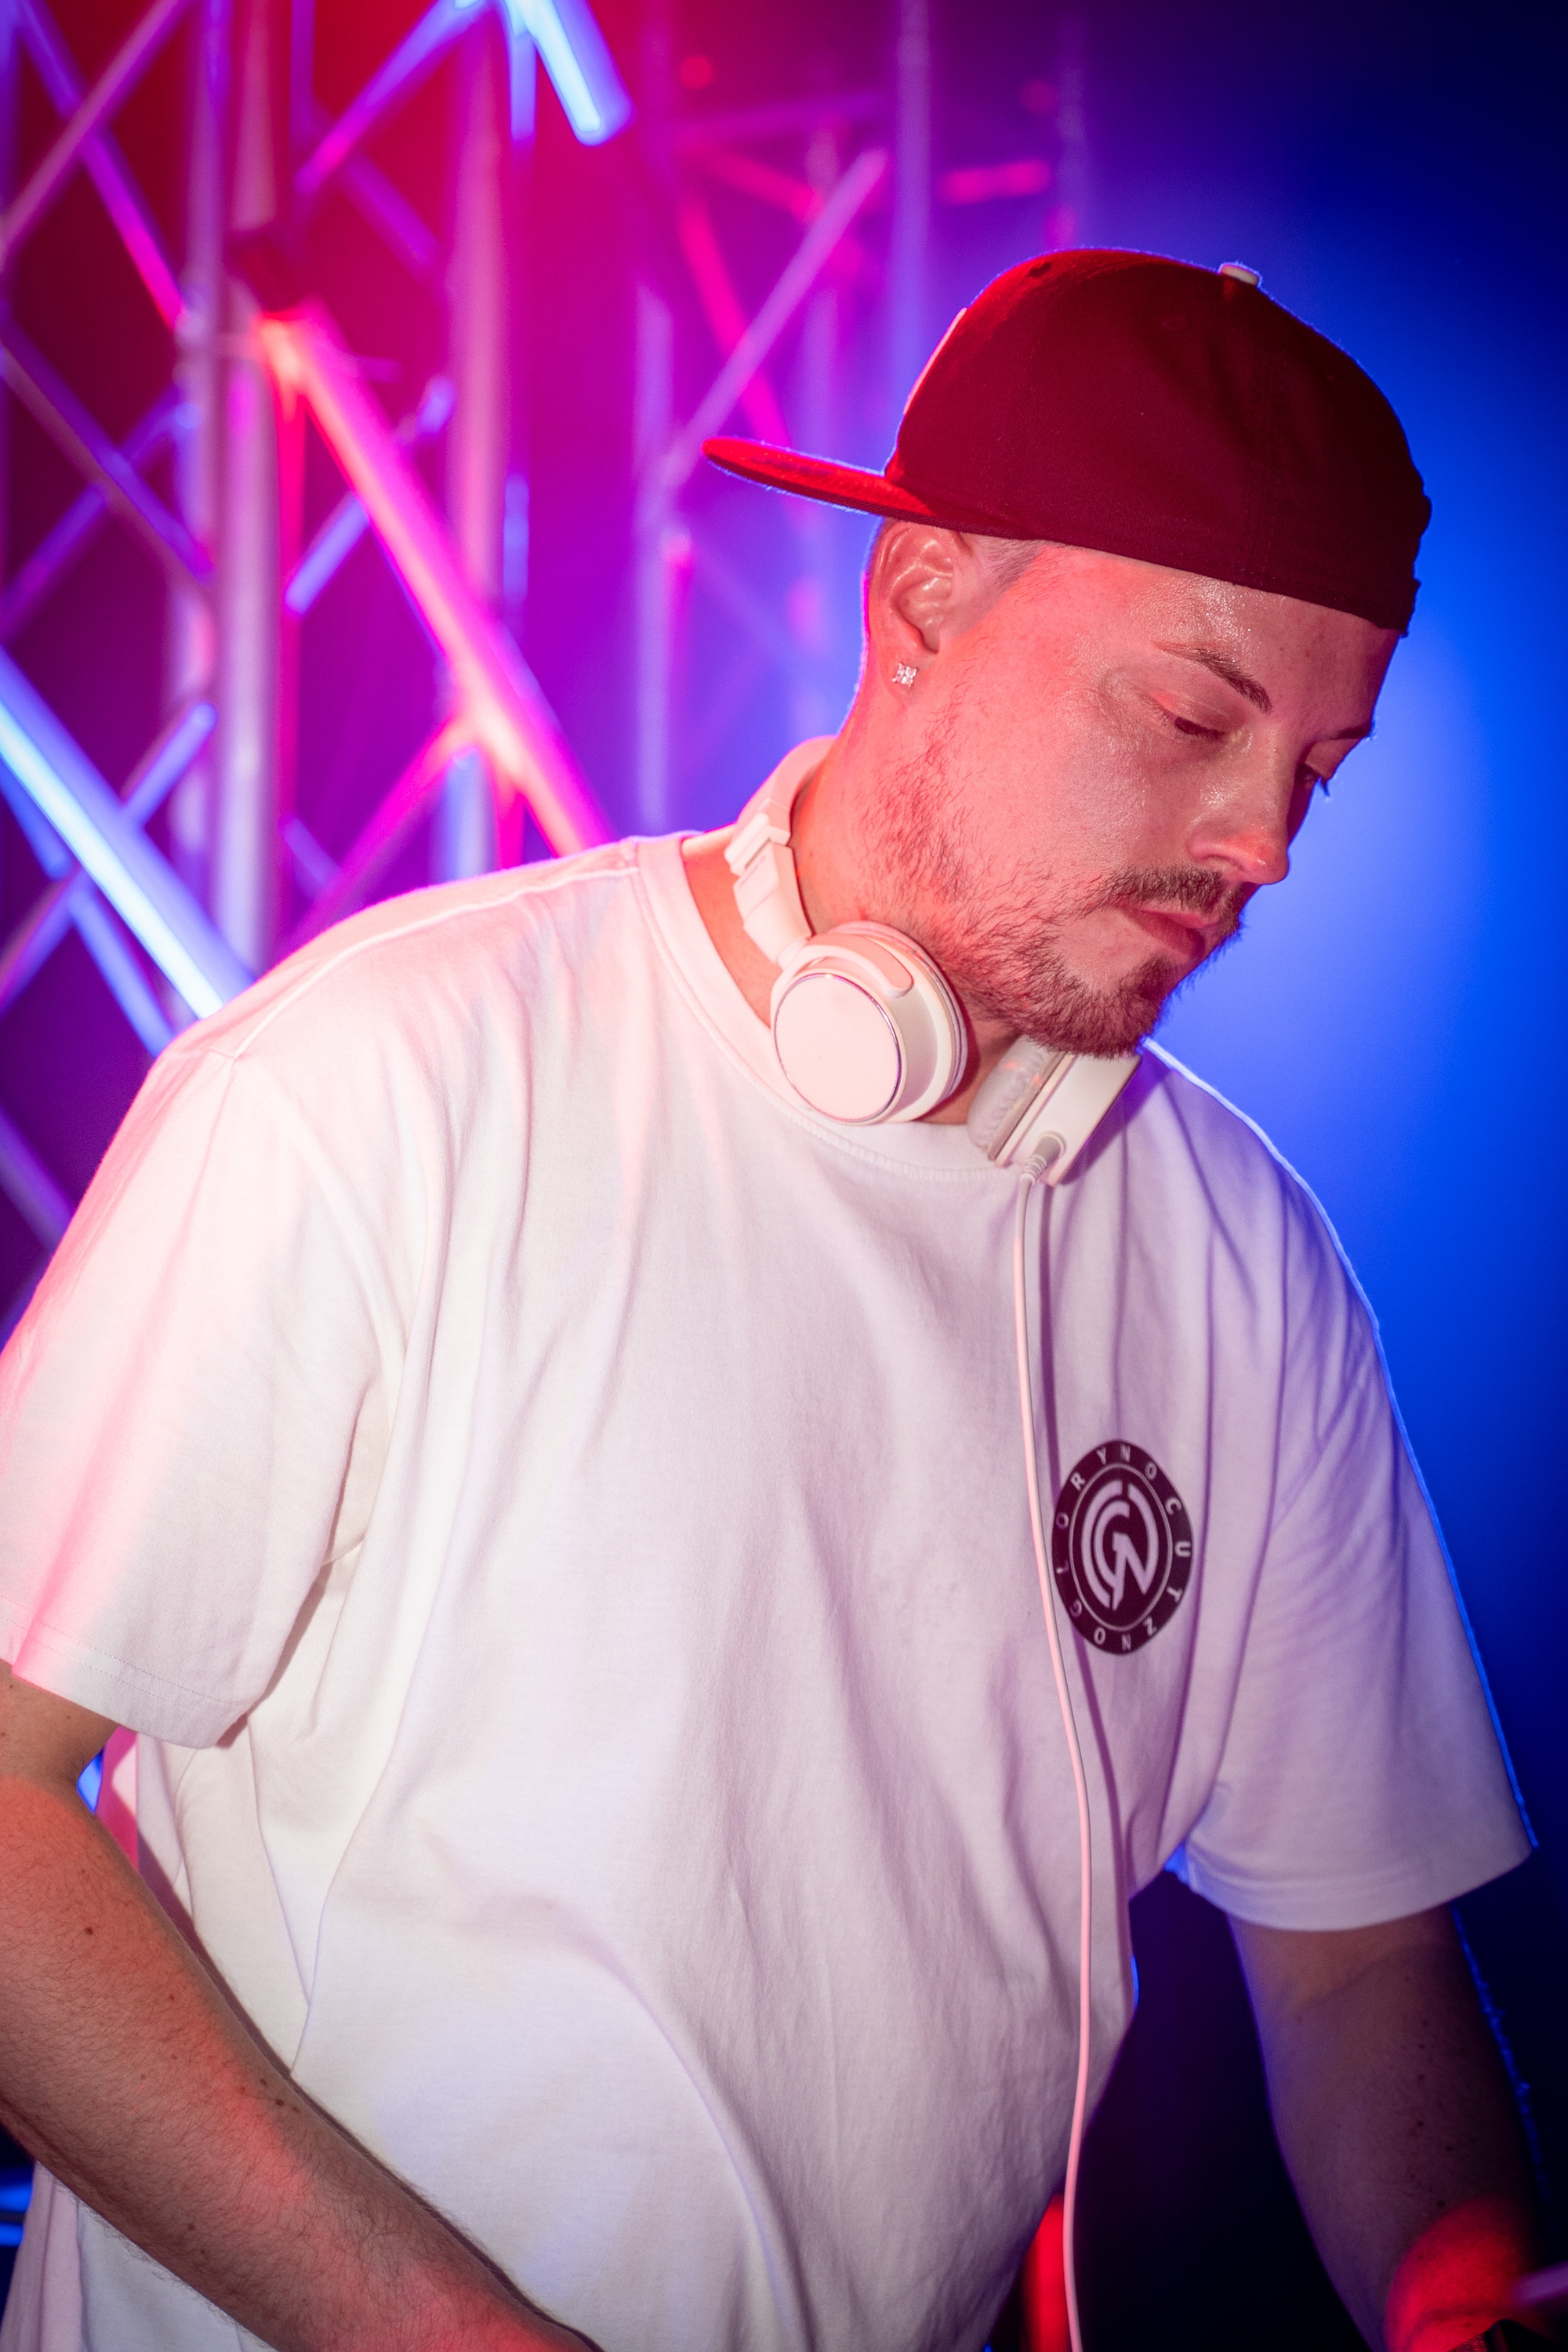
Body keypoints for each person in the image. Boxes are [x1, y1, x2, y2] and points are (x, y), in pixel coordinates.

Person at [0, 251, 1543, 2352]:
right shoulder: (386, 1084)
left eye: (1321, 767)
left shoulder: (1242, 1265)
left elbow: (1359, 1958)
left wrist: (1463, 2294)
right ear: (922, 602)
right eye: (1194, 719)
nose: (1264, 841)